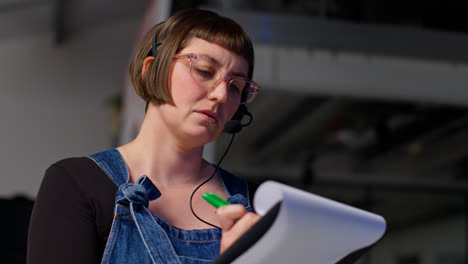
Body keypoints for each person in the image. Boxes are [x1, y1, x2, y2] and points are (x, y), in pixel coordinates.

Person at [27, 8, 262, 264]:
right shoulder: (77, 183)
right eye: (205, 71)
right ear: (151, 70)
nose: (221, 95)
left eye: (235, 87)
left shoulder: (256, 203)